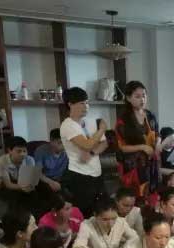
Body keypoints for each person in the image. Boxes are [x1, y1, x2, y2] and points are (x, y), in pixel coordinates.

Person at [60, 86, 108, 218]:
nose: (86, 106)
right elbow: (87, 145)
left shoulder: (90, 121)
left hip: (96, 172)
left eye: (87, 102)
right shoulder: (67, 125)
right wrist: (102, 129)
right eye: (81, 103)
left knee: (102, 211)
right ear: (70, 104)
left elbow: (104, 143)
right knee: (84, 214)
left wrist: (92, 153)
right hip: (79, 175)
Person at [115, 81, 160, 195]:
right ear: (128, 98)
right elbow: (122, 147)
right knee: (136, 197)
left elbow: (157, 135)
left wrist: (158, 144)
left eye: (144, 95)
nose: (142, 99)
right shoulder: (123, 120)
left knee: (152, 195)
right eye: (137, 96)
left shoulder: (150, 116)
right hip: (133, 167)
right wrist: (143, 147)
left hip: (151, 163)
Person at [0, 135, 43, 217]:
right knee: (14, 196)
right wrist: (24, 187)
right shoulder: (1, 161)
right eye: (19, 151)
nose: (22, 154)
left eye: (24, 151)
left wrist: (30, 186)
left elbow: (31, 181)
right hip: (9, 185)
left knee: (36, 193)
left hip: (25, 183)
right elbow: (8, 185)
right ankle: (16, 218)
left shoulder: (29, 159)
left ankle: (36, 218)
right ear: (10, 150)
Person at [34, 128, 69, 193]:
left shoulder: (67, 151)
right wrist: (51, 182)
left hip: (62, 179)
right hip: (46, 180)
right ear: (51, 141)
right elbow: (38, 173)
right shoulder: (41, 151)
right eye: (60, 142)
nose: (64, 145)